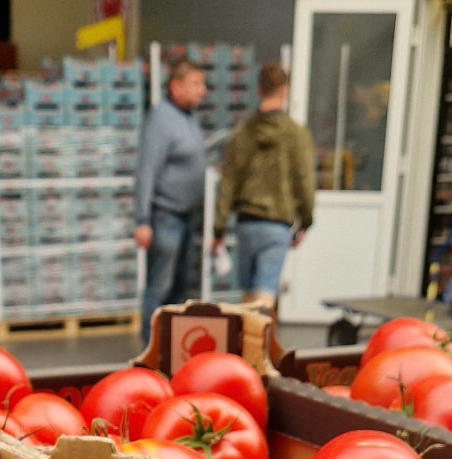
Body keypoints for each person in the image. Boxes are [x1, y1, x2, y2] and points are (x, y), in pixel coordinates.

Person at [212, 62, 316, 315]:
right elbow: (304, 180)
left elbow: (229, 182)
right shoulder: (296, 134)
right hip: (277, 224)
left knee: (248, 295)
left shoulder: (244, 132)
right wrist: (306, 221)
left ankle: (245, 348)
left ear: (259, 90)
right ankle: (257, 348)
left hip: (247, 223)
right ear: (285, 90)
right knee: (266, 292)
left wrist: (219, 228)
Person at [134, 57, 208, 343]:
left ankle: (172, 349)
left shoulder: (188, 117)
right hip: (166, 216)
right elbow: (146, 170)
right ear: (176, 87)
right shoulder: (161, 118)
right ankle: (150, 349)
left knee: (180, 288)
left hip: (188, 216)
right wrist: (142, 220)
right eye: (196, 84)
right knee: (159, 287)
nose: (202, 90)